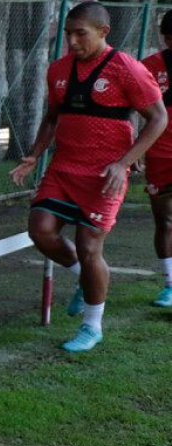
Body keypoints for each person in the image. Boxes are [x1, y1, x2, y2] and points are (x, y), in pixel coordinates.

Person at [10, 1, 166, 353]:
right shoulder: (59, 70)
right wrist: (34, 155)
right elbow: (52, 116)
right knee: (40, 230)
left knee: (89, 246)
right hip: (64, 168)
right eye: (68, 34)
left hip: (104, 174)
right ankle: (84, 276)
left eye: (80, 34)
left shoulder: (126, 68)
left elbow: (158, 118)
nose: (72, 41)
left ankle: (91, 327)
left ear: (102, 32)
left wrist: (124, 162)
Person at [141, 10, 172, 308]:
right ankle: (170, 284)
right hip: (160, 154)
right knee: (164, 219)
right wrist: (134, 151)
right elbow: (130, 109)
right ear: (165, 38)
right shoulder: (149, 67)